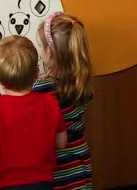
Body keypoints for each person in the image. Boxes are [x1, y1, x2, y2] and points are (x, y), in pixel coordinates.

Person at [0, 35, 67, 190]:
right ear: (37, 73)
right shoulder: (50, 103)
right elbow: (61, 143)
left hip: (4, 186)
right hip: (43, 185)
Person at [33, 12, 93, 190]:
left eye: (42, 46)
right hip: (81, 158)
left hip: (59, 163)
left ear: (49, 53)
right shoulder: (82, 81)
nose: (41, 51)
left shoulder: (42, 88)